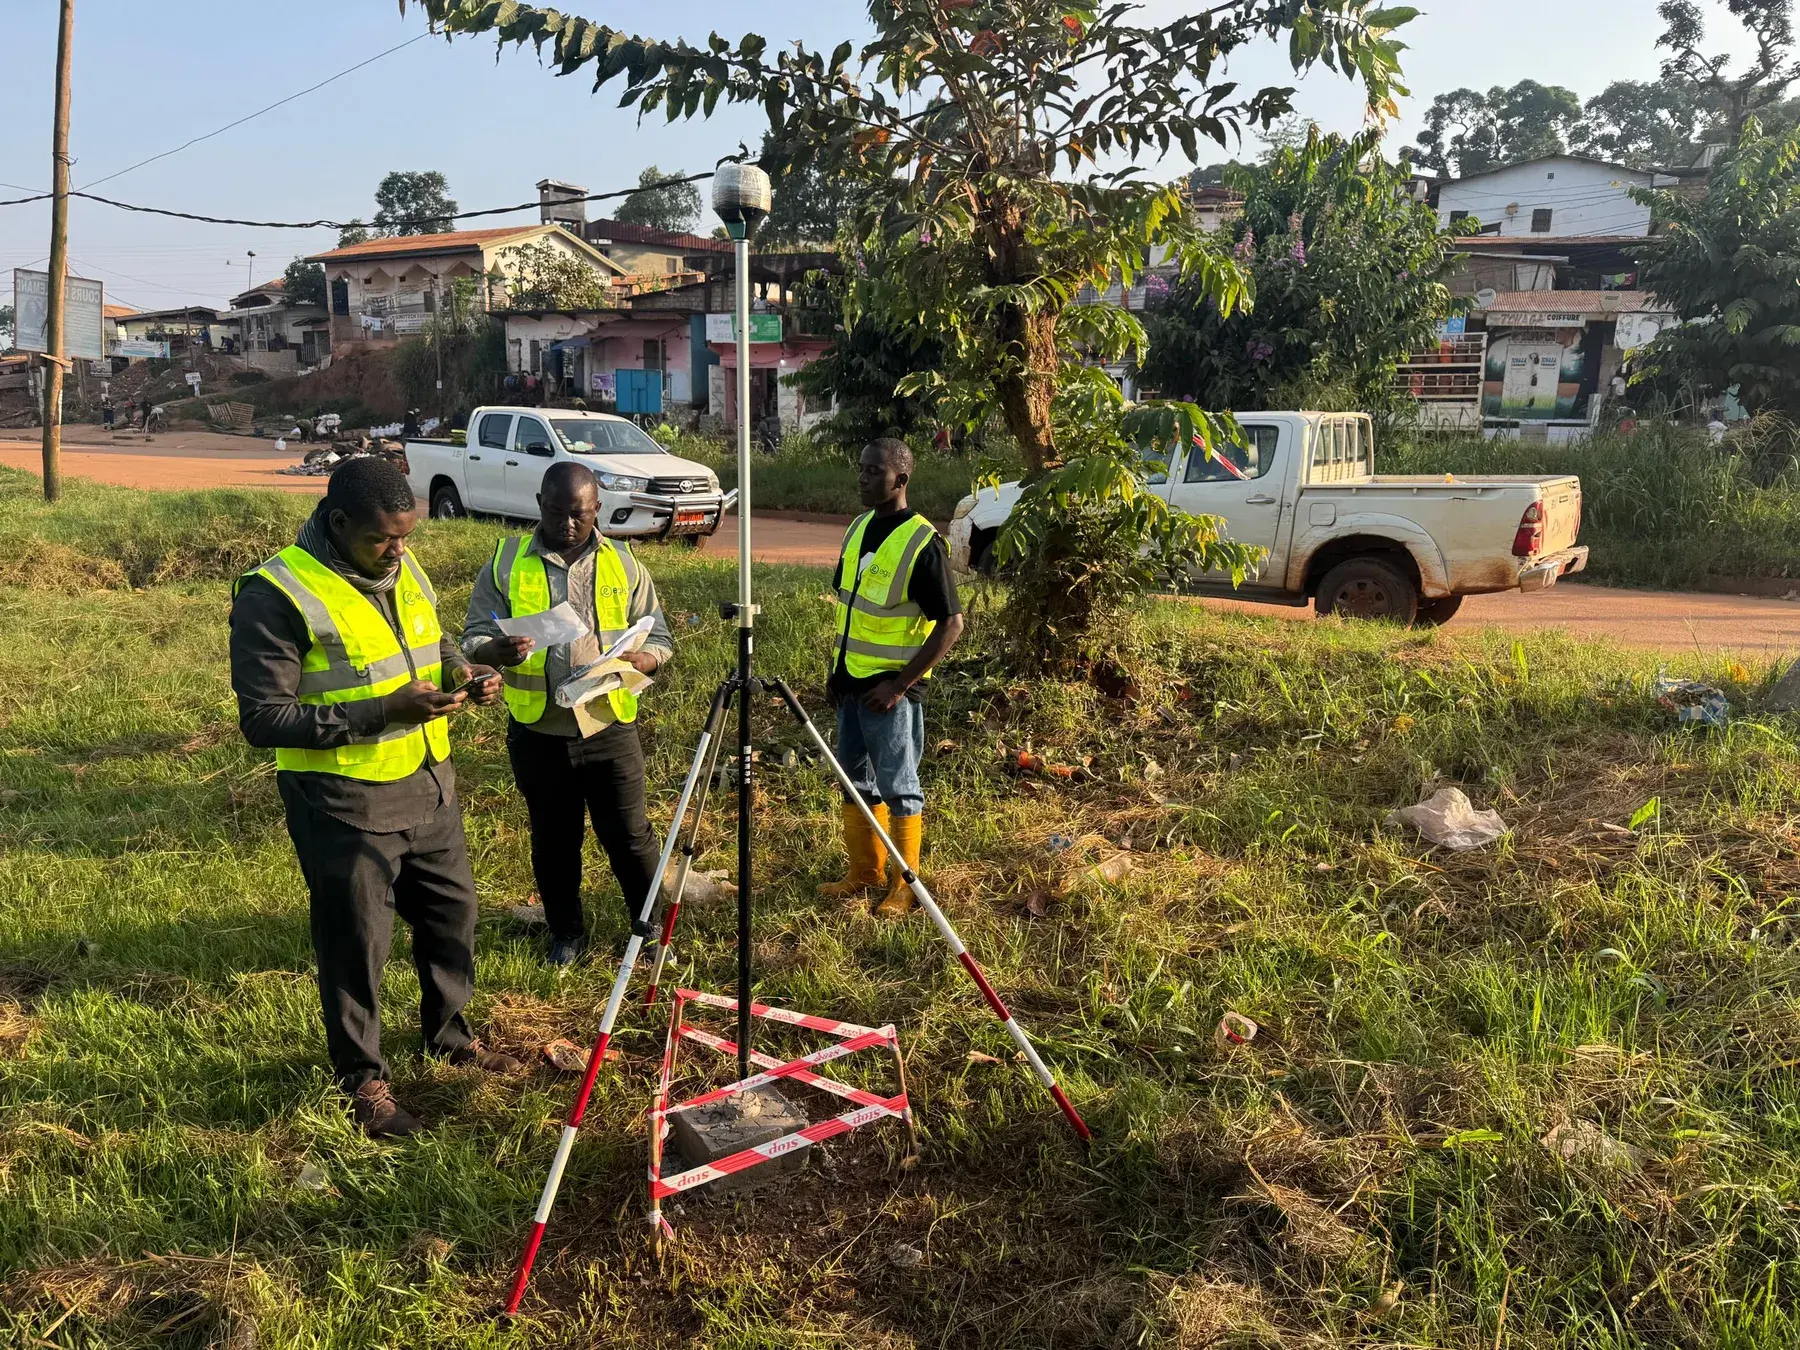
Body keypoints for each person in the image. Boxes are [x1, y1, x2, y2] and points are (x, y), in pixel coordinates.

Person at [229, 457, 516, 1140]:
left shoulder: (402, 563)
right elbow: (263, 719)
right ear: (338, 524)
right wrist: (383, 711)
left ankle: (450, 1036)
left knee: (453, 918)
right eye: (383, 538)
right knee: (358, 942)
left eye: (405, 535)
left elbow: (429, 638)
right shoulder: (277, 592)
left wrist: (466, 670)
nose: (398, 549)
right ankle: (362, 1080)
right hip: (343, 801)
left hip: (427, 783)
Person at [462, 461, 673, 968]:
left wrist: (645, 658)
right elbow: (470, 637)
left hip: (608, 726)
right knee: (555, 840)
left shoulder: (624, 563)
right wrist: (496, 651)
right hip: (539, 732)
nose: (568, 524)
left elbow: (660, 638)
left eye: (578, 513)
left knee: (630, 837)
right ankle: (566, 933)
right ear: (539, 503)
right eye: (556, 512)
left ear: (597, 508)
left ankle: (649, 933)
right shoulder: (505, 562)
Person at [819, 438, 965, 917]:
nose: (861, 478)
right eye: (860, 468)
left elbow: (951, 624)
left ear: (900, 480)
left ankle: (907, 885)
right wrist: (837, 672)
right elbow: (851, 608)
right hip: (851, 684)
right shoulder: (860, 527)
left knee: (899, 786)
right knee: (853, 779)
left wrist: (900, 685)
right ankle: (865, 871)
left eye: (873, 471)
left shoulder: (923, 542)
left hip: (889, 694)